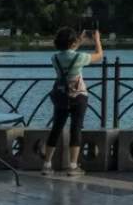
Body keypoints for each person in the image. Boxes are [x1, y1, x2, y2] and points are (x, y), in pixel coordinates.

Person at [44, 26, 103, 176]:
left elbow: (69, 52)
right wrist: (97, 40)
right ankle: (73, 166)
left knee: (56, 128)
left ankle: (46, 164)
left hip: (61, 95)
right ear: (72, 42)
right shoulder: (80, 57)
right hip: (78, 96)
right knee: (75, 128)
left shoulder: (55, 58)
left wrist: (79, 41)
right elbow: (99, 55)